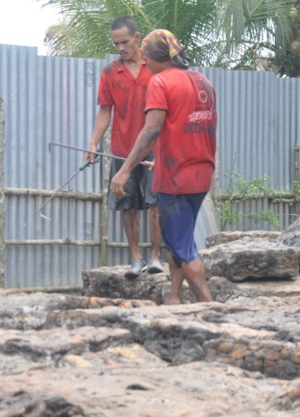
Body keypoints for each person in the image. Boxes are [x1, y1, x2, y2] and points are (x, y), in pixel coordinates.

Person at [110, 29, 217, 304]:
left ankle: (211, 308)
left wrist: (124, 171)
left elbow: (150, 131)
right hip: (201, 173)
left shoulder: (161, 82)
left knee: (182, 245)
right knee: (177, 238)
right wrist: (161, 158)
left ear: (149, 55)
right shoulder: (203, 81)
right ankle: (174, 296)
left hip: (177, 178)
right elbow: (194, 128)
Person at [86, 16, 163, 279]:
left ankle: (155, 257)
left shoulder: (155, 67)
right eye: (116, 43)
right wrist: (94, 142)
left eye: (125, 42)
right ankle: (135, 259)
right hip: (122, 149)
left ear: (138, 38)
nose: (120, 47)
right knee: (126, 202)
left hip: (155, 148)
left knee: (156, 202)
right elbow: (104, 111)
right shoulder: (110, 71)